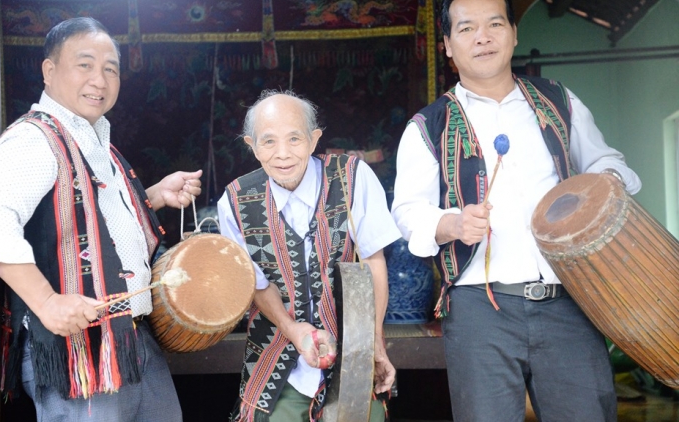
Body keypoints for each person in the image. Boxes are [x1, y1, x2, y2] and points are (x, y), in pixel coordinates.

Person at [390, 0, 642, 421]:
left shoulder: (559, 102)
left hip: (570, 303)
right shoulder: (428, 125)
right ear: (448, 45)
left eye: (495, 24)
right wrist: (452, 222)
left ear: (514, 33)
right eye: (467, 29)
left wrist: (601, 189)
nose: (483, 37)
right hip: (478, 311)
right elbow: (407, 210)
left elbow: (606, 162)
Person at [0, 17, 202, 422]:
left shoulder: (96, 143)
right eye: (85, 64)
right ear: (50, 70)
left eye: (111, 69)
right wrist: (46, 301)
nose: (100, 79)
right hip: (80, 351)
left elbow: (87, 222)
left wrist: (153, 196)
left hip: (131, 340)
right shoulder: (35, 139)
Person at [217, 90, 399, 422]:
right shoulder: (235, 201)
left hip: (352, 354)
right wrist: (293, 330)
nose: (283, 154)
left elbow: (374, 262)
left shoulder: (352, 178)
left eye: (295, 139)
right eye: (268, 142)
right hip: (275, 359)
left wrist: (374, 344)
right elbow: (255, 285)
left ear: (314, 140)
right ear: (251, 145)